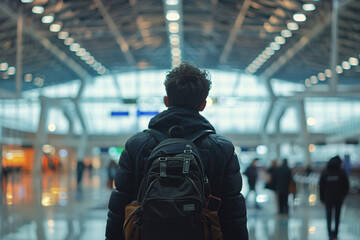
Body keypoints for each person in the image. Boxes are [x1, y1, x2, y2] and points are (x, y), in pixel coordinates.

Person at [105, 62, 248, 240]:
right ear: (203, 104)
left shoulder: (137, 145)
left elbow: (118, 208)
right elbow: (233, 214)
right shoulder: (222, 149)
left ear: (166, 100)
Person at [319, 156, 349, 240]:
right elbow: (346, 186)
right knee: (337, 216)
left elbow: (321, 186)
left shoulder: (325, 173)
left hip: (328, 198)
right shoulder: (341, 173)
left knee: (328, 216)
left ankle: (330, 234)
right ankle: (335, 233)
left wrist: (322, 198)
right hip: (338, 198)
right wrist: (343, 195)